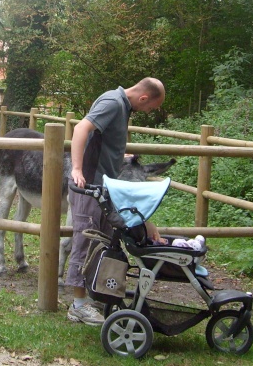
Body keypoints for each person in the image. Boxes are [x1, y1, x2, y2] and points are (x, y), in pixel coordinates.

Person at [65, 77, 166, 325]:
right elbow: (81, 129)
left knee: (105, 243)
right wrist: (77, 169)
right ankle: (78, 305)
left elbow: (102, 140)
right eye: (150, 107)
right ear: (143, 98)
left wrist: (119, 155)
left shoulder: (123, 106)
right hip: (89, 185)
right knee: (86, 241)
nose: (147, 111)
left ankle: (91, 296)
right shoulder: (112, 102)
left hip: (105, 187)